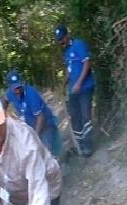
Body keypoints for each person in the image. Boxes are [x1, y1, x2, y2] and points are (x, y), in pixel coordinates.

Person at [55, 24, 95, 157]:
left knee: (85, 115)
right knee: (75, 116)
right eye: (59, 40)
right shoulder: (66, 52)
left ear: (67, 35)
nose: (61, 42)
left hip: (85, 87)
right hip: (74, 90)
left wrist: (79, 82)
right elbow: (69, 70)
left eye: (62, 38)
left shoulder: (79, 44)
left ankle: (89, 145)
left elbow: (87, 63)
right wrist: (63, 85)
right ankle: (80, 144)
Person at [2, 70, 62, 157]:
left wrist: (35, 138)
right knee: (31, 153)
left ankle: (56, 165)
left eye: (19, 87)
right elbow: (5, 99)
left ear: (22, 83)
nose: (17, 90)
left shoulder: (31, 94)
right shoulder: (10, 93)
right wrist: (3, 112)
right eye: (14, 88)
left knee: (46, 151)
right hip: (29, 125)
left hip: (45, 124)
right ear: (10, 87)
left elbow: (41, 118)